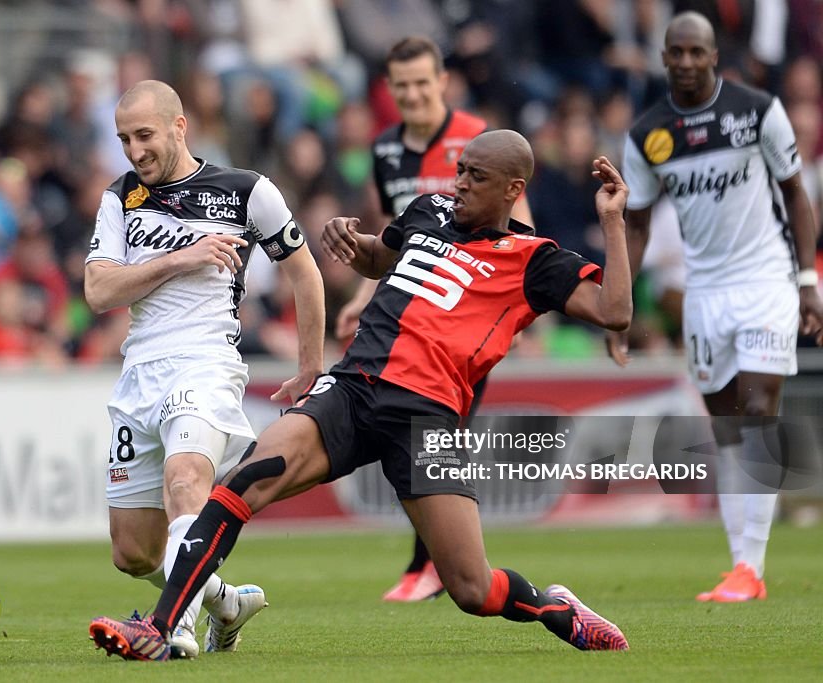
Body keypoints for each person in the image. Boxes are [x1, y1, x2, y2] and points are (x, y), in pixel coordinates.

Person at [88, 130, 633, 661]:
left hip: (427, 418)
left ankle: (554, 606)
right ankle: (162, 627)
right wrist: (353, 244)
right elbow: (383, 257)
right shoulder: (429, 211)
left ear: (513, 190)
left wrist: (611, 222)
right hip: (352, 389)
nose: (460, 183)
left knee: (470, 587)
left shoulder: (533, 259)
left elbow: (615, 312)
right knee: (240, 485)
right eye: (460, 169)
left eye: (476, 176)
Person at [84, 80, 326, 658]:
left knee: (185, 481)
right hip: (139, 373)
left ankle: (174, 628)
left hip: (206, 364)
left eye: (144, 136)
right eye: (124, 139)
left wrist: (311, 366)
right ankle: (226, 603)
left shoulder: (246, 191)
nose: (134, 151)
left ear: (179, 126)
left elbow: (305, 275)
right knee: (132, 554)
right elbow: (98, 290)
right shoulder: (120, 198)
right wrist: (182, 258)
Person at [609, 11, 823, 602]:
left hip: (765, 280)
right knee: (729, 427)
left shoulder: (757, 110)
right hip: (705, 293)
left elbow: (795, 194)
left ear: (712, 56)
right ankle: (740, 567)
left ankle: (751, 566)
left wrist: (806, 279)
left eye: (694, 52)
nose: (684, 62)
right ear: (664, 59)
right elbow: (639, 226)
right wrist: (617, 305)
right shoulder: (648, 135)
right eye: (674, 53)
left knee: (758, 408)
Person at [337, 35, 534, 602]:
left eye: (423, 82)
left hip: (468, 311)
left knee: (442, 428)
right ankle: (431, 562)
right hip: (408, 308)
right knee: (423, 430)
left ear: (442, 81)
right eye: (402, 86)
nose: (414, 94)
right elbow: (391, 237)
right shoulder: (384, 150)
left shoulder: (476, 138)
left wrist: (518, 307)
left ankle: (432, 562)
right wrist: (360, 294)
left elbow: (519, 223)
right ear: (390, 91)